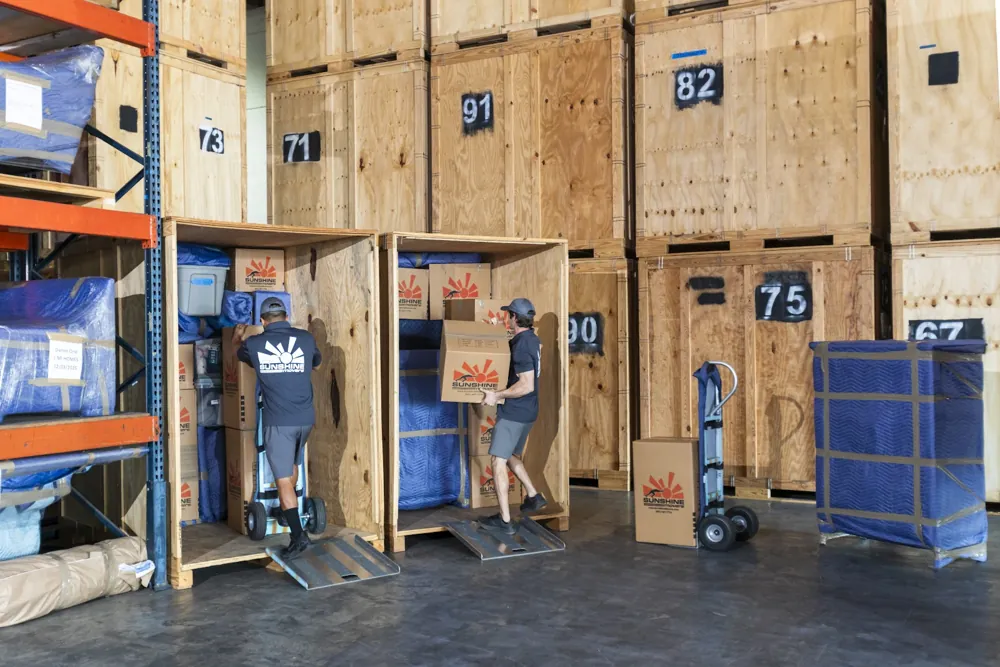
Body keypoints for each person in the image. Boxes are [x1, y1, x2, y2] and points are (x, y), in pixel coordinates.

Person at [232, 297, 322, 559]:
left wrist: (238, 335)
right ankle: (289, 508)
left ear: (262, 321)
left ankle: (298, 536)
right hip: (305, 419)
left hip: (279, 423)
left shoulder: (255, 344)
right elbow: (316, 364)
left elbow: (237, 352)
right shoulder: (305, 339)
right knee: (292, 467)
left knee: (282, 480)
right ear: (286, 315)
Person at [480, 298, 548, 534]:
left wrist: (496, 395)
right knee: (510, 455)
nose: (505, 317)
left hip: (515, 412)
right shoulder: (530, 339)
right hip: (529, 411)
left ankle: (505, 521)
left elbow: (526, 384)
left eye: (508, 314)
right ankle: (533, 495)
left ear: (515, 318)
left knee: (497, 461)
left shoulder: (521, 345)